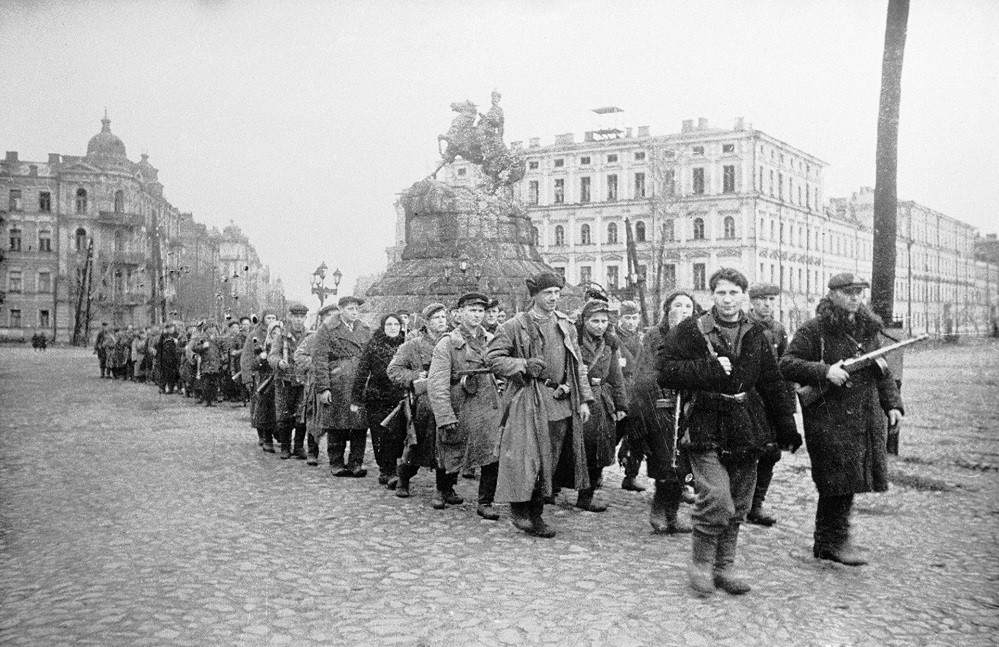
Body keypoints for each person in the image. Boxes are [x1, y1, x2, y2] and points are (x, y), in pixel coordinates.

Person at [657, 267, 800, 597]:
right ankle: (701, 564)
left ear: (744, 297)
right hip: (705, 420)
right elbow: (665, 371)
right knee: (717, 498)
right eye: (721, 292)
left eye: (734, 293)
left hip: (746, 423)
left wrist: (787, 425)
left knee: (738, 500)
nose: (727, 299)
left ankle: (725, 567)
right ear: (712, 296)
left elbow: (772, 381)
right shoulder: (692, 330)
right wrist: (706, 369)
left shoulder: (756, 333)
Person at [780, 273, 904, 567]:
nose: (855, 297)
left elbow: (882, 370)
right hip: (829, 417)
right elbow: (787, 363)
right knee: (835, 479)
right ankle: (830, 541)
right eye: (848, 292)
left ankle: (834, 539)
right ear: (832, 294)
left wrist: (893, 405)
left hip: (863, 415)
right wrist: (826, 371)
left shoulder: (867, 329)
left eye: (859, 292)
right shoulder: (815, 329)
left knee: (851, 478)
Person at [487, 271, 594, 538]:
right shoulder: (515, 325)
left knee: (551, 460)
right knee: (526, 458)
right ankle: (520, 510)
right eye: (548, 293)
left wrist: (583, 399)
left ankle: (536, 512)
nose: (554, 298)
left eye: (557, 293)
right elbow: (493, 358)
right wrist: (523, 364)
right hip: (527, 398)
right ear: (534, 295)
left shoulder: (566, 325)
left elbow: (578, 365)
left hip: (559, 401)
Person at [428, 292, 503, 518]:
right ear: (460, 314)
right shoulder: (447, 343)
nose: (477, 315)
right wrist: (444, 416)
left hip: (487, 405)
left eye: (481, 311)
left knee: (492, 451)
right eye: (472, 310)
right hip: (459, 403)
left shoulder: (492, 340)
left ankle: (485, 502)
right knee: (450, 447)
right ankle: (443, 489)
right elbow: (437, 383)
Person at [634, 290, 699, 535]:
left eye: (688, 306)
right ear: (667, 310)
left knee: (683, 463)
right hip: (661, 405)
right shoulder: (654, 336)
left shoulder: (698, 336)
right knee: (665, 461)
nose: (683, 311)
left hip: (688, 407)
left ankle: (673, 513)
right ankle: (659, 510)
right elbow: (644, 373)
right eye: (677, 305)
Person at [387, 302, 450, 497]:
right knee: (417, 444)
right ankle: (403, 480)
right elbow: (393, 370)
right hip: (423, 403)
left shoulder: (452, 342)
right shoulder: (413, 345)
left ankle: (446, 488)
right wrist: (415, 376)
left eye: (443, 317)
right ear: (427, 322)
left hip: (448, 399)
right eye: (436, 317)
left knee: (447, 445)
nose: (441, 321)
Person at [574, 298, 629, 512]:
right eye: (594, 321)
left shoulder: (610, 344)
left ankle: (586, 496)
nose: (600, 326)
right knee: (575, 446)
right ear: (584, 321)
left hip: (602, 401)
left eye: (604, 321)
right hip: (578, 399)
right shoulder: (574, 341)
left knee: (599, 447)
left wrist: (621, 405)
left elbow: (616, 376)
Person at [744, 283, 789, 527]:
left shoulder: (778, 330)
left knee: (771, 453)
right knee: (745, 451)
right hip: (748, 400)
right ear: (752, 302)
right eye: (762, 299)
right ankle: (739, 502)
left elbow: (785, 367)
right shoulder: (743, 326)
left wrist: (786, 408)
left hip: (771, 402)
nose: (767, 304)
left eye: (771, 299)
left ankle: (756, 505)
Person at [313, 295, 372, 477]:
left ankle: (356, 462)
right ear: (341, 310)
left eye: (356, 309)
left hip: (359, 381)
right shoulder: (327, 328)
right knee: (336, 423)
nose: (354, 312)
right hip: (337, 381)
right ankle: (336, 462)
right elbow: (320, 359)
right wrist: (324, 388)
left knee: (359, 423)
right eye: (350, 309)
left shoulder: (364, 329)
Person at [351, 313, 407, 485]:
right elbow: (362, 371)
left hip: (400, 396)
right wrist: (356, 398)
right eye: (389, 324)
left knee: (398, 435)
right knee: (380, 435)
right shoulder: (373, 345)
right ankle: (386, 470)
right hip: (377, 397)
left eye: (396, 324)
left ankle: (392, 469)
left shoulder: (407, 344)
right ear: (383, 327)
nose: (393, 328)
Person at [270, 303, 311, 459]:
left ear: (305, 318)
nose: (299, 320)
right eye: (296, 317)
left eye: (302, 317)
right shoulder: (281, 336)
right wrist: (279, 362)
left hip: (303, 381)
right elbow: (272, 355)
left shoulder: (309, 336)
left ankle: (299, 447)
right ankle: (285, 447)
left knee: (302, 414)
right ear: (290, 317)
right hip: (284, 381)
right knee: (284, 415)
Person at [299, 304, 338, 466]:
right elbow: (299, 356)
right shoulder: (313, 338)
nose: (332, 319)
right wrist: (315, 363)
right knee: (314, 418)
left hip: (338, 384)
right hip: (317, 384)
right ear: (322, 319)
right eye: (329, 316)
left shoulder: (341, 337)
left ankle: (335, 456)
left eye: (336, 316)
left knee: (336, 420)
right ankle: (312, 452)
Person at [614, 300, 646, 492]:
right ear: (620, 318)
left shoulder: (643, 339)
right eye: (627, 317)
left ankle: (631, 476)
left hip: (639, 396)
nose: (631, 322)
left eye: (634, 318)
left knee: (637, 437)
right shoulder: (612, 339)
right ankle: (595, 474)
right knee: (612, 436)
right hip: (619, 395)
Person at [195, 322, 224, 407]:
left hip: (215, 364)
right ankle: (207, 400)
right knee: (206, 383)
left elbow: (223, 348)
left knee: (214, 383)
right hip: (206, 365)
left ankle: (213, 399)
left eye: (213, 328)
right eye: (209, 329)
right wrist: (203, 347)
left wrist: (223, 356)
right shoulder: (202, 339)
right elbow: (194, 348)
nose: (212, 331)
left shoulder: (218, 340)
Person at [157, 323, 181, 394]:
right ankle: (162, 388)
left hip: (173, 357)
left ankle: (171, 388)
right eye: (168, 328)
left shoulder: (176, 335)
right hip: (164, 357)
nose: (170, 329)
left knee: (172, 374)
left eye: (171, 328)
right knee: (163, 373)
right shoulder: (163, 335)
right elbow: (159, 346)